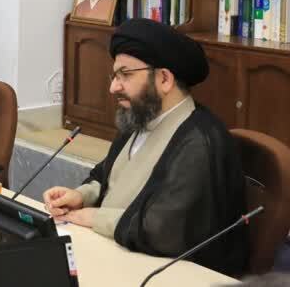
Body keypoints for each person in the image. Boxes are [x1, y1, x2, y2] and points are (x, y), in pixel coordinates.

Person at [42, 19, 248, 277]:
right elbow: (107, 176)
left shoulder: (199, 142)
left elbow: (162, 228)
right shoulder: (139, 119)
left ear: (164, 79)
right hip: (117, 254)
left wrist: (92, 217)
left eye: (126, 75)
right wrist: (81, 196)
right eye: (114, 76)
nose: (113, 87)